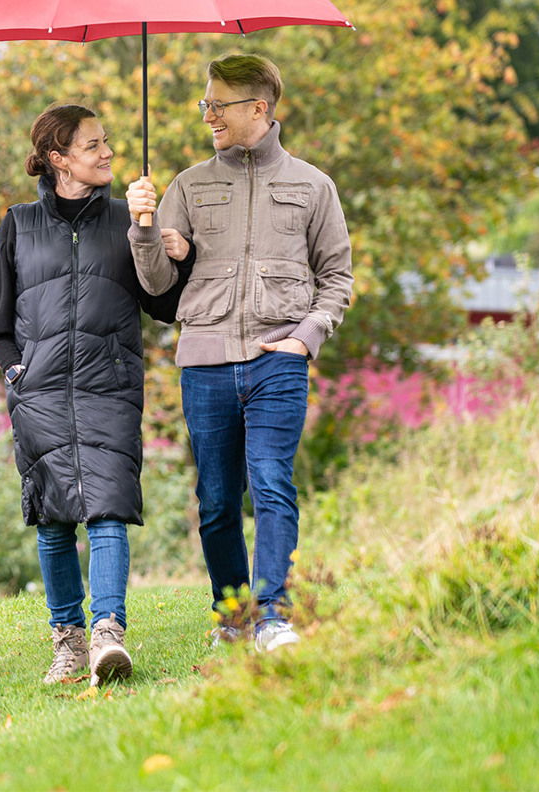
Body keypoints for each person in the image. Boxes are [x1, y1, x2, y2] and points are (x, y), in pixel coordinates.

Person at [125, 53, 353, 653]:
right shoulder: (187, 186)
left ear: (260, 108)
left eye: (217, 105)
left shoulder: (313, 186)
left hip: (279, 356)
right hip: (204, 360)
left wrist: (306, 337)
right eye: (205, 104)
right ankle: (234, 615)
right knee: (217, 499)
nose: (208, 116)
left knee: (273, 481)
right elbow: (153, 284)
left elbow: (337, 278)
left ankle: (274, 616)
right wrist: (146, 229)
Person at [0, 103, 193, 685]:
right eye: (94, 145)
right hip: (39, 391)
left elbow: (164, 304)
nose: (108, 153)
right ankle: (68, 644)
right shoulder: (18, 224)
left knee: (108, 510)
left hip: (109, 386)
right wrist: (15, 374)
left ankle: (107, 636)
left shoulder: (128, 218)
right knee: (53, 519)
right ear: (58, 158)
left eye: (108, 142)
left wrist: (167, 245)